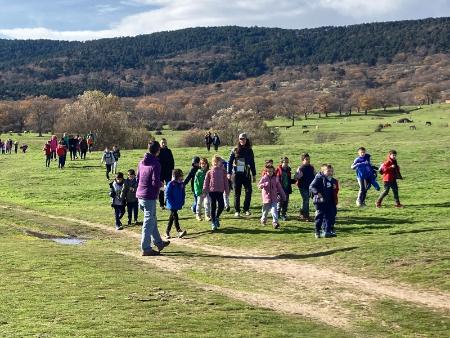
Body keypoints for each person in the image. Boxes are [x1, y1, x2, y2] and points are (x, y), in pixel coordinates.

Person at [136, 141, 170, 256]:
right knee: (148, 222)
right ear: (158, 151)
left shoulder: (141, 162)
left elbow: (138, 178)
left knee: (152, 220)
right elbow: (155, 182)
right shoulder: (156, 164)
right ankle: (146, 248)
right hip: (149, 197)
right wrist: (163, 186)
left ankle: (159, 243)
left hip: (140, 196)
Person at [227, 133, 256, 217]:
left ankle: (246, 209)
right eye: (240, 139)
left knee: (249, 191)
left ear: (246, 140)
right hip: (237, 173)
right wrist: (229, 173)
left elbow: (252, 163)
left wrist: (254, 174)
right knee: (237, 192)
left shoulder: (249, 150)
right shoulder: (235, 149)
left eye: (243, 139)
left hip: (246, 173)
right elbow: (229, 162)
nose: (242, 140)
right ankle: (237, 211)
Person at [310, 164, 339, 238]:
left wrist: (334, 188)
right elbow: (312, 186)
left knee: (330, 216)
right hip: (320, 201)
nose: (330, 172)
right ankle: (317, 231)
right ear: (323, 171)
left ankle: (327, 231)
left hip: (329, 201)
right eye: (328, 171)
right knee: (320, 216)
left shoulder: (332, 179)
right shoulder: (319, 178)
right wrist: (317, 193)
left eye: (331, 171)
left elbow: (333, 189)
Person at [203, 155, 229, 230]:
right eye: (214, 162)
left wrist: (227, 191)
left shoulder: (223, 171)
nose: (216, 163)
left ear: (220, 162)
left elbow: (226, 182)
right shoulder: (209, 172)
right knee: (213, 207)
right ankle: (213, 222)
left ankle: (217, 217)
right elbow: (206, 182)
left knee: (221, 205)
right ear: (212, 162)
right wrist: (204, 190)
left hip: (220, 191)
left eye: (218, 162)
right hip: (212, 191)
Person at [259, 163, 286, 229]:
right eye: (268, 171)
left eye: (271, 171)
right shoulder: (264, 178)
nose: (270, 172)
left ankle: (275, 222)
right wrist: (264, 184)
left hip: (274, 198)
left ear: (273, 171)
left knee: (274, 210)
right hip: (266, 198)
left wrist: (283, 195)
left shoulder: (276, 178)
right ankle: (263, 220)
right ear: (266, 171)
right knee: (265, 212)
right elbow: (259, 185)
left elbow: (279, 187)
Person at [164, 169, 187, 239]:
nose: (181, 177)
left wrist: (182, 200)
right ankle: (179, 230)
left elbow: (183, 193)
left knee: (172, 217)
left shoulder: (181, 184)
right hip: (172, 203)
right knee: (175, 216)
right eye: (180, 176)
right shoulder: (171, 183)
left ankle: (167, 231)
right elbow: (167, 193)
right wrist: (171, 202)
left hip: (177, 203)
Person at [295, 153, 316, 221]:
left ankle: (302, 212)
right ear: (302, 160)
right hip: (302, 187)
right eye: (306, 159)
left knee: (306, 200)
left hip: (310, 187)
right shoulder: (300, 168)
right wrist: (298, 176)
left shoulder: (312, 167)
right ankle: (306, 215)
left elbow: (316, 175)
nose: (308, 160)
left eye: (309, 159)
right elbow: (295, 177)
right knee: (306, 199)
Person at [276, 157, 295, 221]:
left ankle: (283, 214)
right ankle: (277, 215)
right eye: (285, 162)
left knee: (285, 203)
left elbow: (289, 181)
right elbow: (276, 181)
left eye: (287, 162)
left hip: (287, 189)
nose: (287, 163)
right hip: (280, 190)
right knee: (279, 203)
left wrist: (295, 180)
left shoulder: (288, 170)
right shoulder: (278, 170)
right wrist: (277, 191)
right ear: (281, 163)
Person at [157, 138, 174, 209]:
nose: (163, 144)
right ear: (160, 144)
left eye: (165, 142)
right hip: (160, 173)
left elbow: (172, 161)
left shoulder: (169, 151)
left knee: (168, 187)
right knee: (161, 189)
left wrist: (172, 170)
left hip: (168, 172)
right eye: (162, 143)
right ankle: (161, 204)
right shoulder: (158, 152)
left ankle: (167, 202)